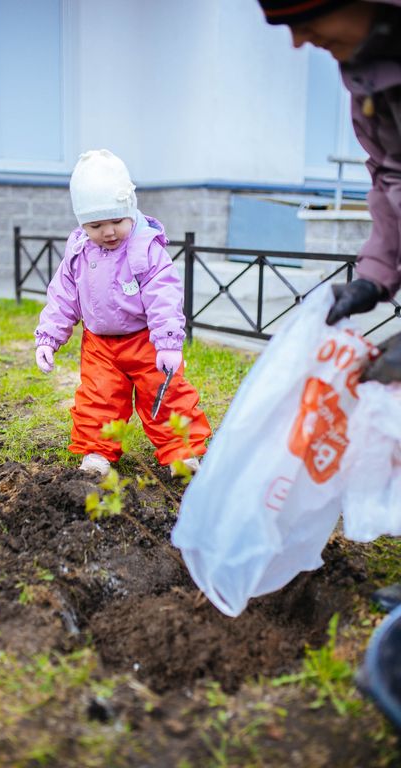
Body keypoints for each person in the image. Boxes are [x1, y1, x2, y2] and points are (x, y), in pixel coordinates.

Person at [256, 0, 401, 606]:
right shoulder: (369, 79)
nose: (297, 42)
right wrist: (375, 274)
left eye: (304, 18)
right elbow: (391, 177)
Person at [34, 149, 211, 477]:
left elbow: (165, 297)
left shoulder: (145, 249)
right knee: (98, 398)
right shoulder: (78, 253)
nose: (109, 231)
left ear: (131, 210)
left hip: (146, 342)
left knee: (165, 394)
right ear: (81, 223)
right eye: (96, 224)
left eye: (117, 220)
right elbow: (62, 297)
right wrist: (48, 338)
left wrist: (168, 344)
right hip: (100, 345)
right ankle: (97, 453)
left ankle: (182, 452)